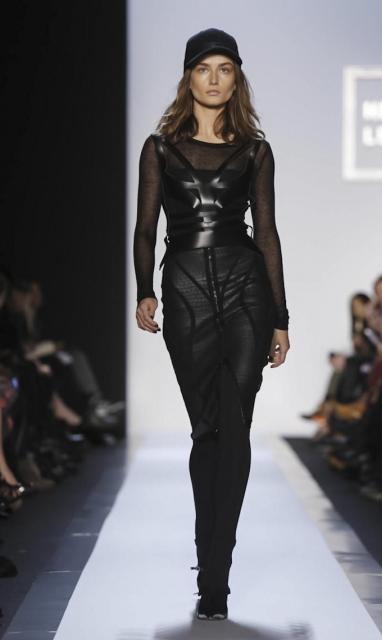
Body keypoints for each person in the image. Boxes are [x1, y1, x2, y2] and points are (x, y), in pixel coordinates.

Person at [133, 27, 290, 621]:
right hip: (186, 290)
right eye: (205, 68)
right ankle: (209, 560)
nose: (215, 78)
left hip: (247, 287)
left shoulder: (255, 150)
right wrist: (144, 291)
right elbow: (145, 228)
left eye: (226, 68)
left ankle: (216, 578)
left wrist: (280, 317)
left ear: (237, 77)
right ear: (189, 77)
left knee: (236, 426)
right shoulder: (160, 148)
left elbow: (267, 233)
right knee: (207, 430)